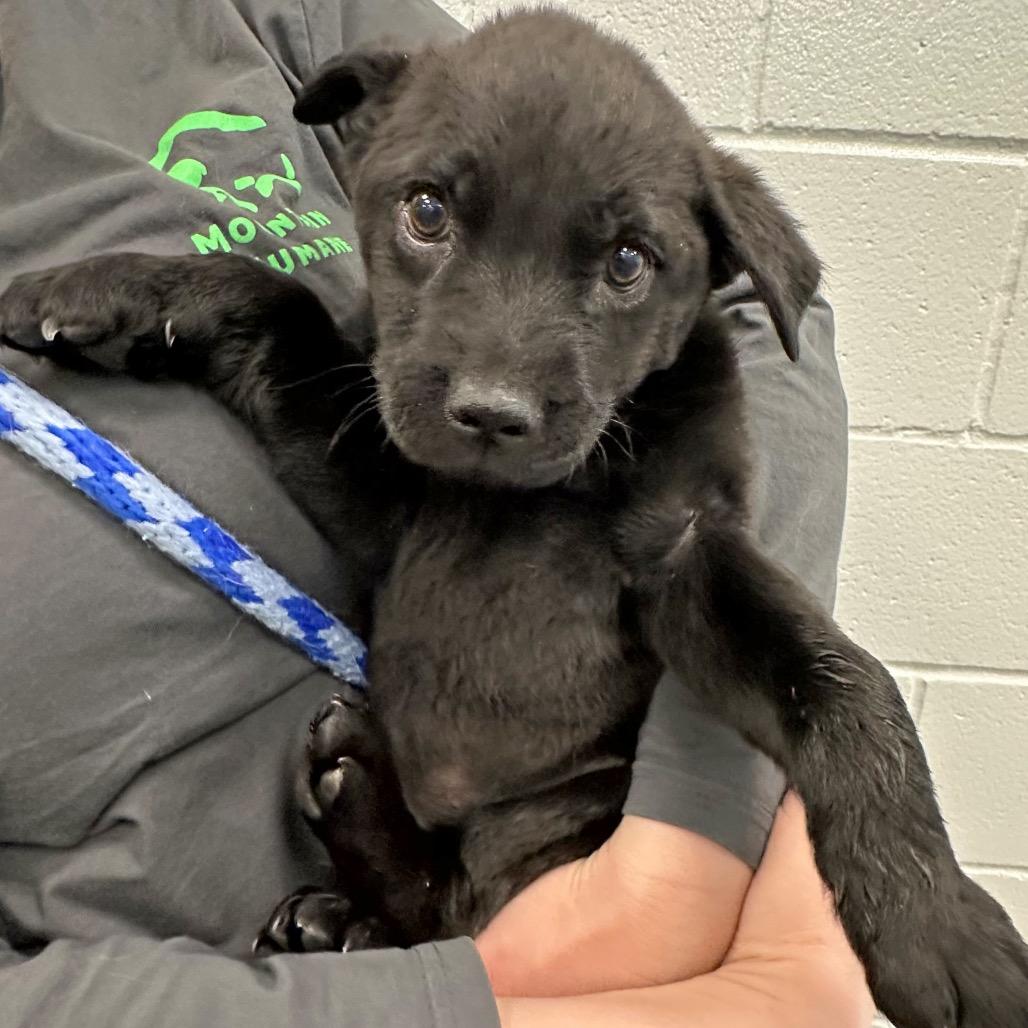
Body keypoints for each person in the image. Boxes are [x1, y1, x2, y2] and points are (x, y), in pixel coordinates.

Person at [0, 0, 870, 1024]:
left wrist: (685, 846)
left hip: (627, 807)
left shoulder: (232, 15)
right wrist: (506, 997)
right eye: (429, 218)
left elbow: (758, 315)